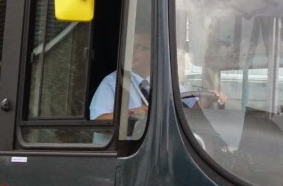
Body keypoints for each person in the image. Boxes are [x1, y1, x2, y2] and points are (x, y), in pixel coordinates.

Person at [89, 33, 224, 121]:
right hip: (128, 150)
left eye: (139, 47)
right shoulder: (112, 82)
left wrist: (210, 98)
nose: (132, 52)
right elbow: (98, 121)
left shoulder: (165, 82)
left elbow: (194, 112)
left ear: (153, 53)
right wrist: (132, 113)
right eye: (130, 47)